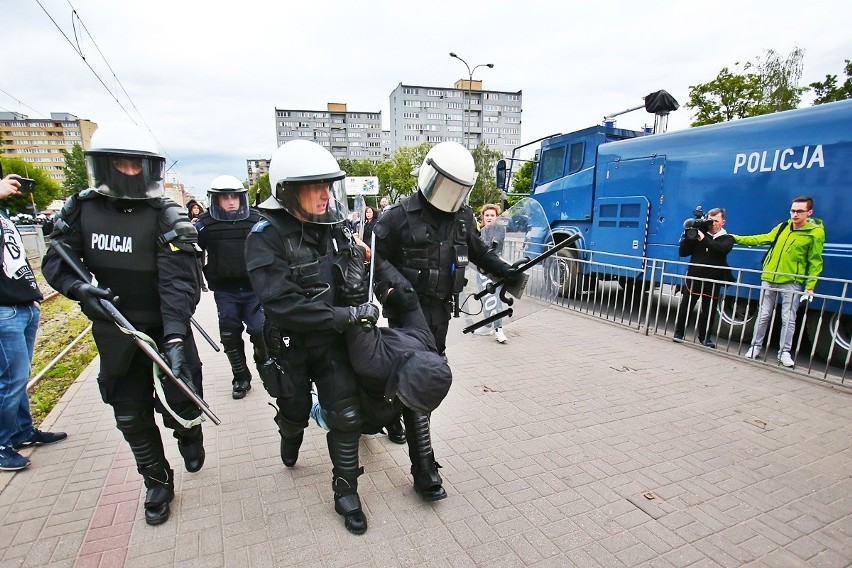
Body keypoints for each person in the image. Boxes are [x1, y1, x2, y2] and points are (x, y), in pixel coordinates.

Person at [42, 122, 206, 525]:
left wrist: (174, 339)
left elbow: (179, 284)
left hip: (167, 325)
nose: (130, 171)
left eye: (138, 164)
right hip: (113, 326)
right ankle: (156, 481)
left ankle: (188, 432)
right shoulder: (81, 209)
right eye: (122, 163)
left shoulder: (167, 214)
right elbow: (56, 262)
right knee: (129, 413)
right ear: (106, 164)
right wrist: (81, 291)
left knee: (182, 401)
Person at [373, 141, 523, 501]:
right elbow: (374, 256)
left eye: (458, 189)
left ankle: (394, 414)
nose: (450, 195)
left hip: (440, 313)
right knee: (419, 378)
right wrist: (398, 287)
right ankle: (423, 468)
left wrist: (510, 273)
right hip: (408, 313)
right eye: (446, 185)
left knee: (416, 379)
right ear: (429, 175)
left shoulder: (462, 217)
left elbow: (480, 253)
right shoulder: (397, 215)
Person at [245, 139, 377, 535]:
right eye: (313, 186)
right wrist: (348, 314)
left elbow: (350, 279)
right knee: (296, 411)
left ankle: (346, 490)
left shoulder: (334, 226)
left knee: (346, 413)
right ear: (287, 190)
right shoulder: (265, 235)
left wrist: (365, 280)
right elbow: (283, 304)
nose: (325, 194)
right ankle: (290, 435)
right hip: (291, 346)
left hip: (333, 342)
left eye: (328, 185)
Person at [0, 173, 67, 471]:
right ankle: (3, 443)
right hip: (3, 310)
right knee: (10, 379)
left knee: (19, 377)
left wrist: (32, 294)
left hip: (22, 304)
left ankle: (22, 432)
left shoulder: (4, 216)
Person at [195, 175, 265, 399]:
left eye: (235, 196)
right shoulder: (205, 225)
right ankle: (241, 377)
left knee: (260, 331)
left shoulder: (256, 219)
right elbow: (193, 255)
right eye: (225, 197)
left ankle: (267, 369)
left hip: (255, 289)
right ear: (216, 200)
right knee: (229, 334)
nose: (231, 201)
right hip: (225, 291)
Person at [734, 196, 825, 367]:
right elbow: (763, 238)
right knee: (763, 315)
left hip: (791, 281)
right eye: (793, 210)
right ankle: (755, 347)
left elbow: (815, 261)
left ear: (809, 212)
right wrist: (736, 238)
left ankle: (784, 352)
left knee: (788, 319)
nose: (795, 214)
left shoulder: (815, 233)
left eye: (799, 211)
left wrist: (810, 287)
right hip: (769, 278)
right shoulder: (783, 226)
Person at [672, 207, 734, 348]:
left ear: (723, 222)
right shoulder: (699, 234)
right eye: (710, 220)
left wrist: (703, 238)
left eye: (716, 221)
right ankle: (679, 333)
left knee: (709, 310)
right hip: (694, 277)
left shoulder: (727, 238)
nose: (713, 223)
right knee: (685, 306)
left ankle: (705, 337)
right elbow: (683, 252)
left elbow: (720, 249)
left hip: (713, 280)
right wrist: (690, 235)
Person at [475, 203, 509, 343]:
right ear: (482, 217)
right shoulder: (479, 230)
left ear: (497, 217)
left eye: (492, 215)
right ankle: (488, 325)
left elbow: (492, 244)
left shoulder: (500, 230)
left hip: (495, 270)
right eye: (487, 215)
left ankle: (499, 329)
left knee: (496, 300)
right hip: (481, 270)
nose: (489, 218)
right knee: (485, 299)